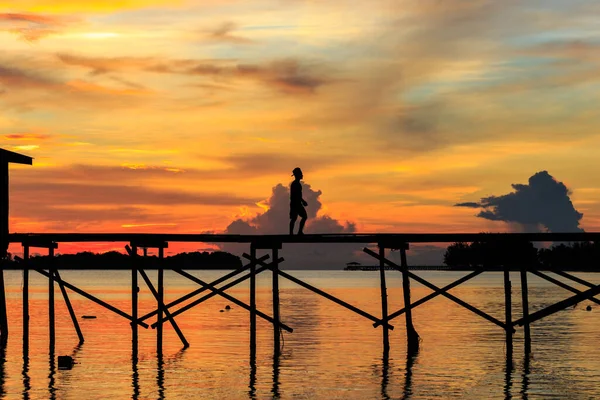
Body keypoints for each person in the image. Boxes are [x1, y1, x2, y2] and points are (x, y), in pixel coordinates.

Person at [289, 167, 308, 235]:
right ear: (298, 175)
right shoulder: (295, 184)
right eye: (301, 174)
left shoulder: (296, 184)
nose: (302, 175)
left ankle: (296, 232)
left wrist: (302, 201)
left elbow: (298, 196)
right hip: (295, 204)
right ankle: (294, 233)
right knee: (296, 218)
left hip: (296, 203)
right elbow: (295, 195)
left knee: (296, 218)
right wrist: (303, 201)